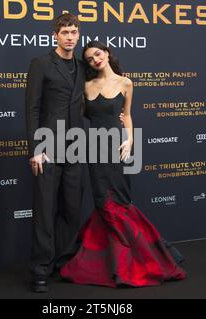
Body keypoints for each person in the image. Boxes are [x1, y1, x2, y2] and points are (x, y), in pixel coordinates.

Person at [60, 41, 187, 287]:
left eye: (97, 54)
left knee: (119, 201)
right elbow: (79, 114)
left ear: (106, 53)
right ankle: (110, 261)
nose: (95, 59)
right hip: (95, 148)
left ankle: (133, 259)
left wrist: (130, 142)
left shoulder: (125, 83)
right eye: (89, 59)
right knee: (102, 202)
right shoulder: (85, 86)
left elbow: (127, 116)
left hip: (119, 147)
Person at [25, 13, 85, 293]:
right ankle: (40, 269)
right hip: (47, 148)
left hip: (76, 148)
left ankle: (64, 264)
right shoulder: (41, 64)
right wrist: (35, 149)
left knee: (71, 210)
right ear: (55, 36)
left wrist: (122, 116)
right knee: (45, 211)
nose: (70, 37)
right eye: (65, 32)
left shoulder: (83, 66)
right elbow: (32, 109)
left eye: (74, 32)